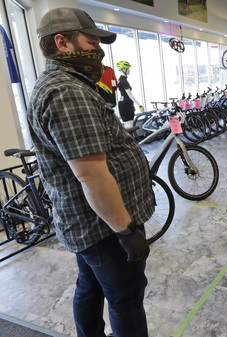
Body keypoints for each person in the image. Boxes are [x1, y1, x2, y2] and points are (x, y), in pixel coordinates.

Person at [28, 7, 155, 336]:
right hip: (101, 226)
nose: (98, 49)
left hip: (89, 223)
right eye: (91, 40)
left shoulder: (68, 83)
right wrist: (126, 231)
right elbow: (92, 175)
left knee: (90, 286)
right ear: (62, 42)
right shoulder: (68, 93)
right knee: (125, 298)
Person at [116, 60, 144, 128]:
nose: (129, 71)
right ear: (124, 69)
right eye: (128, 69)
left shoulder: (120, 79)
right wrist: (139, 105)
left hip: (123, 103)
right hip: (127, 104)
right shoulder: (124, 81)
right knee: (130, 126)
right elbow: (130, 95)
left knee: (127, 126)